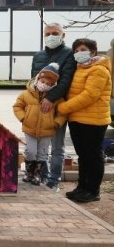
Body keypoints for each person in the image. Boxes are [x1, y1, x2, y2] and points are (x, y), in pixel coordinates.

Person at [57, 39, 112, 203]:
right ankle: (82, 187)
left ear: (93, 51)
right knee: (83, 156)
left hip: (94, 121)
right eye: (76, 51)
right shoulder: (80, 68)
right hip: (77, 119)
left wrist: (63, 108)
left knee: (93, 156)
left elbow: (89, 96)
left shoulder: (99, 70)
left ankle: (93, 190)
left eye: (83, 49)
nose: (78, 53)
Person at [30, 23, 75, 191]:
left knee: (57, 146)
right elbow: (33, 80)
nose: (51, 36)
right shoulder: (38, 55)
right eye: (47, 33)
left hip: (57, 105)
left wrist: (50, 98)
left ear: (63, 35)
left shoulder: (69, 54)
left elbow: (65, 81)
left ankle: (54, 179)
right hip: (38, 107)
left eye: (55, 33)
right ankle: (42, 175)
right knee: (41, 145)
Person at [13, 63, 66, 185]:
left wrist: (56, 123)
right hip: (29, 129)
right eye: (43, 81)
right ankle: (28, 173)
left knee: (42, 154)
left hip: (47, 131)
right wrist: (23, 118)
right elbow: (17, 107)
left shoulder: (56, 98)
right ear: (37, 79)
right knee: (31, 151)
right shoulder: (25, 94)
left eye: (49, 84)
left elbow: (62, 113)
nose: (45, 85)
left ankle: (37, 175)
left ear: (53, 85)